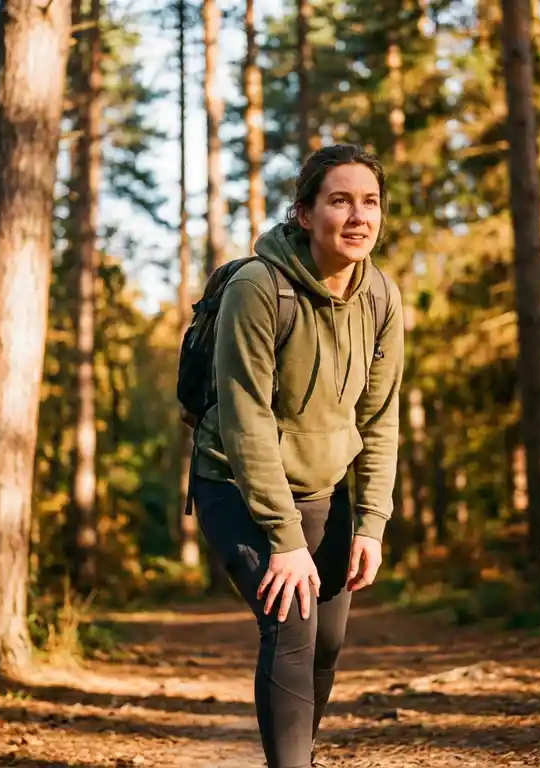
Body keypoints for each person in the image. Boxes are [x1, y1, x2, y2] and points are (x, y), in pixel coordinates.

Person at [189, 143, 405, 768]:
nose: (359, 216)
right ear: (306, 214)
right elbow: (245, 417)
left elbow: (379, 418)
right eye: (340, 200)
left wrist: (371, 522)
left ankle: (297, 754)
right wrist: (284, 540)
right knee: (293, 623)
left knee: (328, 643)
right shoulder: (259, 288)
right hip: (235, 480)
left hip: (323, 487)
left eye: (370, 202)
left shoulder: (381, 298)